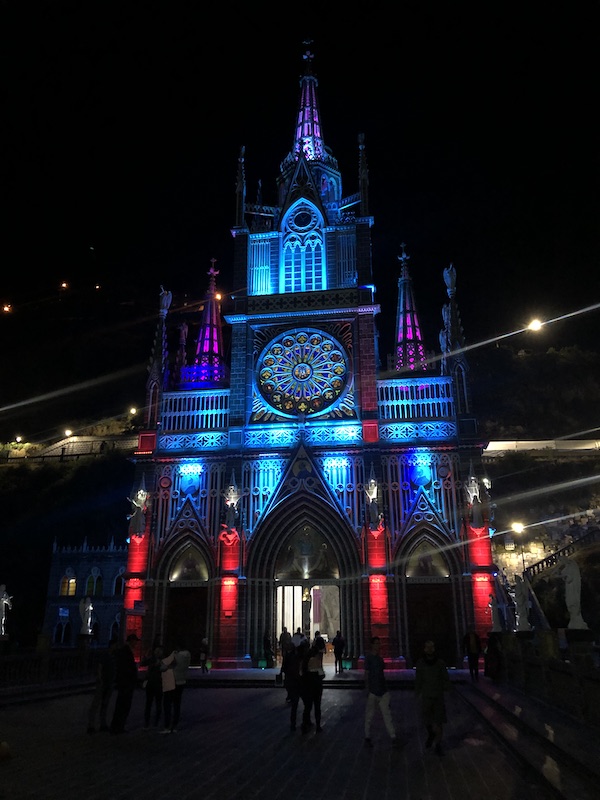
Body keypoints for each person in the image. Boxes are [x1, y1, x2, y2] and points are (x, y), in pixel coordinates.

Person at [415, 640, 450, 756]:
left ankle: (438, 745)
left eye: (432, 647)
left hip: (438, 696)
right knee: (426, 720)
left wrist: (446, 688)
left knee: (438, 721)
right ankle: (431, 733)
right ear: (424, 649)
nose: (430, 649)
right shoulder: (420, 663)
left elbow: (445, 678)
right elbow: (418, 679)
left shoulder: (440, 663)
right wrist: (417, 693)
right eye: (427, 647)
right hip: (426, 695)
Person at [363, 636, 399, 749]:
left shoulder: (380, 659)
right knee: (369, 715)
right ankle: (367, 736)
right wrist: (367, 688)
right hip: (373, 691)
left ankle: (393, 736)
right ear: (372, 645)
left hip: (383, 690)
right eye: (376, 643)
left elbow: (381, 674)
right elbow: (367, 674)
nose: (378, 645)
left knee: (387, 714)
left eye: (379, 643)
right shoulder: (369, 658)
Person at [110, 633, 139, 735]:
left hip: (126, 682)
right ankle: (118, 726)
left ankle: (118, 726)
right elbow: (125, 667)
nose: (136, 643)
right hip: (126, 682)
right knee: (123, 705)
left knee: (123, 705)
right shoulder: (125, 652)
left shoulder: (126, 651)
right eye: (135, 641)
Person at [87, 636, 117, 733]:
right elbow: (100, 666)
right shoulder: (105, 654)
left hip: (110, 682)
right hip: (103, 681)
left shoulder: (113, 656)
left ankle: (102, 724)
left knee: (105, 703)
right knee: (96, 703)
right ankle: (91, 725)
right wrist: (99, 677)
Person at [166, 642, 191, 732]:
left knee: (168, 702)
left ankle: (168, 724)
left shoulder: (176, 655)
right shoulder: (187, 655)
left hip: (173, 680)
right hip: (182, 680)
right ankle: (175, 723)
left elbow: (166, 664)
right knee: (177, 703)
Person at [301, 642, 325, 733]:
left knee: (308, 706)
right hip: (317, 686)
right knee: (317, 706)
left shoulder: (306, 661)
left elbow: (303, 673)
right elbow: (322, 674)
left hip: (308, 686)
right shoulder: (316, 661)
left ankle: (304, 724)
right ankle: (318, 725)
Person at [282, 641, 306, 730]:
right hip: (298, 683)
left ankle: (294, 723)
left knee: (295, 705)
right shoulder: (297, 659)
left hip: (293, 682)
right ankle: (304, 722)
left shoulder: (289, 657)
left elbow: (284, 668)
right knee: (305, 704)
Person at [140, 644, 164, 729]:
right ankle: (147, 722)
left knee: (158, 703)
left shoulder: (163, 661)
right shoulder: (152, 660)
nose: (158, 653)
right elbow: (142, 664)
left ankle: (156, 721)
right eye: (156, 651)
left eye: (159, 651)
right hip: (150, 684)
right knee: (148, 703)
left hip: (159, 684)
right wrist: (145, 655)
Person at [159, 647, 177, 733]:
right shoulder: (173, 661)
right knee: (172, 706)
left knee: (167, 706)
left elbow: (162, 667)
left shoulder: (166, 661)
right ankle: (172, 726)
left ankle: (167, 726)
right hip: (172, 686)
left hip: (168, 687)